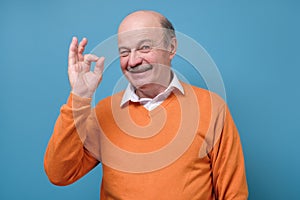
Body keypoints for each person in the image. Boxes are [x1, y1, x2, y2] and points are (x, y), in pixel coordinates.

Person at [44, 10, 248, 199]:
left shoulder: (211, 107)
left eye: (144, 47)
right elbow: (59, 174)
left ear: (171, 47)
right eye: (124, 52)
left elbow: (233, 194)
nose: (132, 61)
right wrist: (79, 96)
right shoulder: (105, 113)